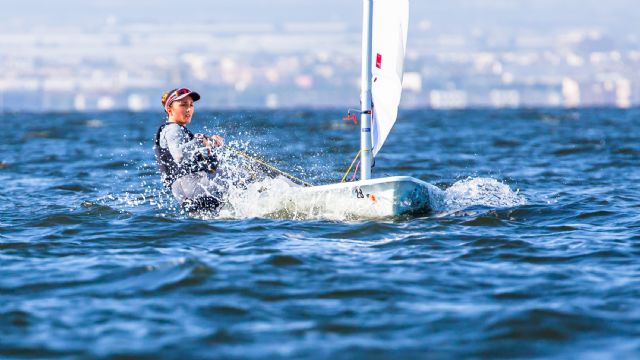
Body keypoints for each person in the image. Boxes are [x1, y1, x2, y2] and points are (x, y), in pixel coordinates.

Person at [154, 87, 225, 212]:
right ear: (169, 109)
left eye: (191, 105)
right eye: (183, 105)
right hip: (191, 186)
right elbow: (178, 155)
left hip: (187, 190)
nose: (188, 109)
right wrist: (199, 141)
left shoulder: (177, 130)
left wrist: (210, 143)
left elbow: (189, 150)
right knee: (246, 177)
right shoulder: (173, 129)